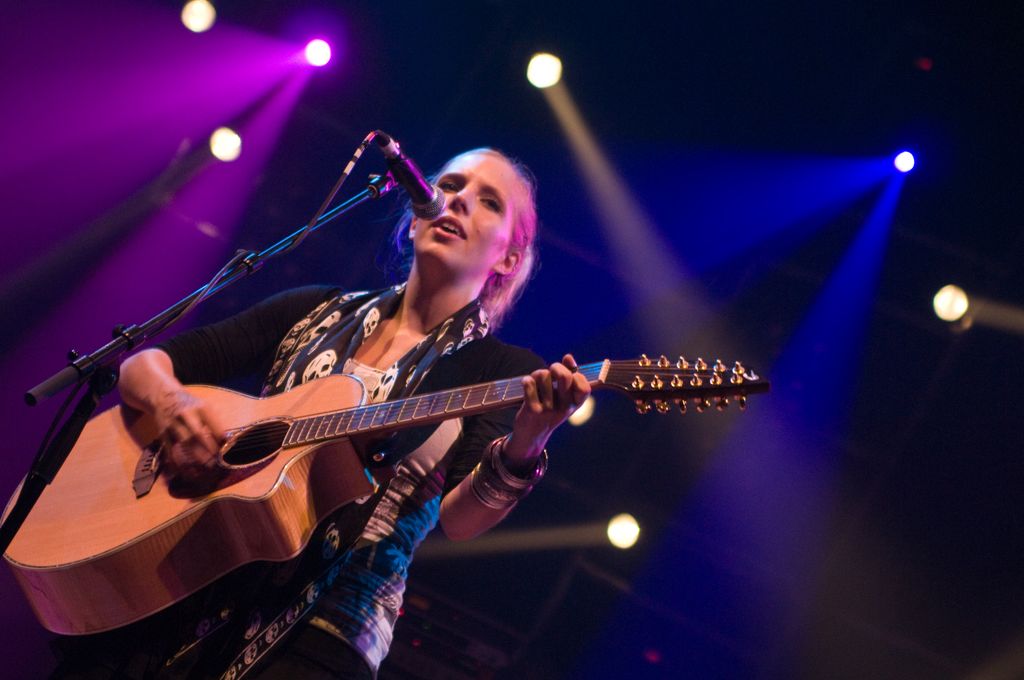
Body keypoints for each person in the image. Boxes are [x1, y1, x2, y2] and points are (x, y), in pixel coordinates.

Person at [52, 148, 590, 679]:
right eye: (449, 185)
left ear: (508, 259)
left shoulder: (499, 369)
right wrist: (176, 406)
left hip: (325, 631)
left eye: (489, 201)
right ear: (413, 217)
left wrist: (527, 443)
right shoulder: (314, 310)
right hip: (190, 574)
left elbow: (462, 521)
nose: (457, 200)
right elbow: (143, 367)